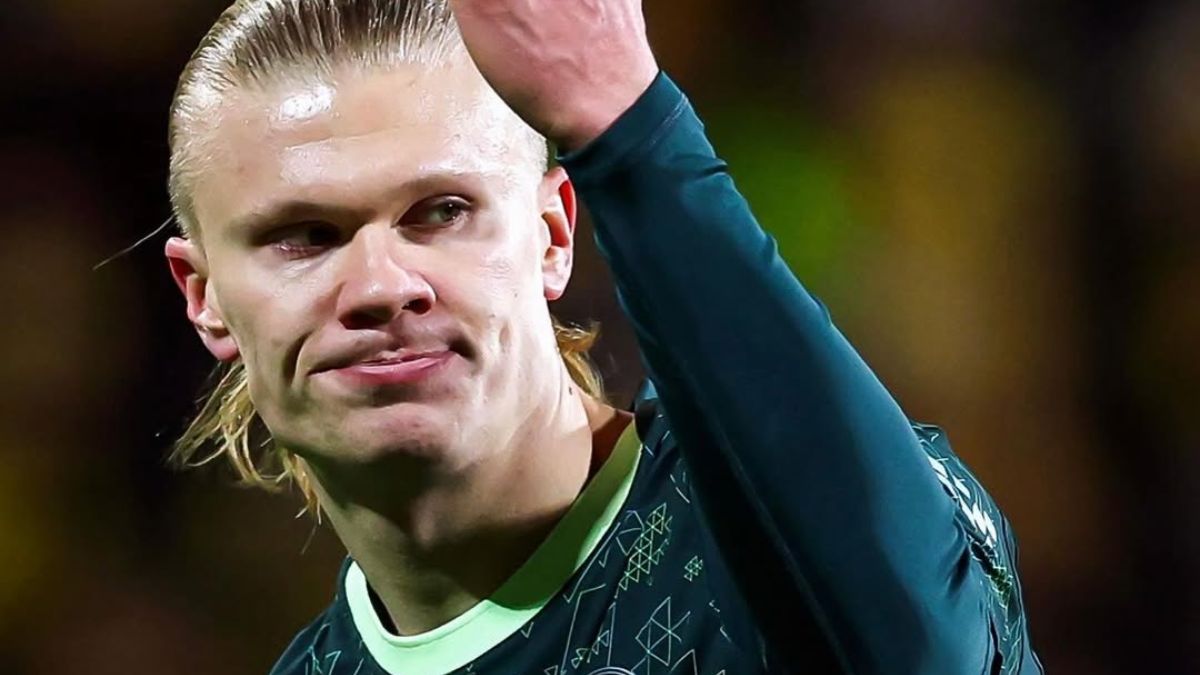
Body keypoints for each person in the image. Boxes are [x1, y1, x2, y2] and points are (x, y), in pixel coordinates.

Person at [163, 0, 1043, 673]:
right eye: (305, 238)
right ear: (204, 299)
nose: (384, 285)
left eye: (442, 211)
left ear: (553, 236)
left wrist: (632, 132)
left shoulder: (783, 528)